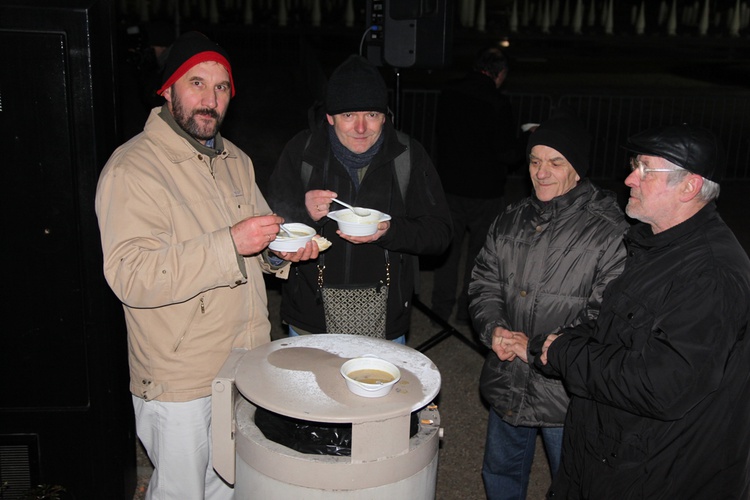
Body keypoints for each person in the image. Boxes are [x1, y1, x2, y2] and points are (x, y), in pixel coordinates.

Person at [95, 31, 318, 499]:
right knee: (181, 492)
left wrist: (282, 252)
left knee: (229, 485)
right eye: (196, 83)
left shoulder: (236, 160)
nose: (209, 99)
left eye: (221, 88)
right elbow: (130, 275)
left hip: (242, 361)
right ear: (168, 89)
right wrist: (231, 243)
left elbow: (255, 246)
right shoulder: (133, 168)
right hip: (180, 375)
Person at [533, 123, 750, 498]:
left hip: (656, 475)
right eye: (635, 164)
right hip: (614, 457)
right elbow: (623, 332)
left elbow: (663, 385)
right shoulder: (659, 246)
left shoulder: (710, 274)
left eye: (647, 169)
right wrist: (567, 341)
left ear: (689, 186)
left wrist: (566, 353)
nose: (630, 178)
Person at [468, 110, 630, 500]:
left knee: (573, 485)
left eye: (556, 162)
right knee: (500, 474)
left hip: (567, 396)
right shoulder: (511, 219)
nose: (542, 172)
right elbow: (484, 282)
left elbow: (606, 316)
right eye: (535, 161)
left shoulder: (610, 231)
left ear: (578, 169)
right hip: (509, 380)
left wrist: (539, 349)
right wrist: (494, 330)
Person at [266, 54, 452, 343]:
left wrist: (390, 231)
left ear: (385, 116)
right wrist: (304, 214)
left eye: (372, 115)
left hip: (385, 317)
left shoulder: (408, 156)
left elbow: (440, 234)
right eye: (349, 115)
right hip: (310, 317)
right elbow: (269, 231)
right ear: (329, 116)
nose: (362, 128)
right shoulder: (302, 152)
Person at [431, 45, 524, 324]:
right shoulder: (497, 103)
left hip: (449, 186)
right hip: (484, 192)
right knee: (478, 256)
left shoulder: (449, 92)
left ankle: (439, 310)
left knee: (448, 252)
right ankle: (465, 312)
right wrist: (526, 138)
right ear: (501, 73)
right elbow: (507, 153)